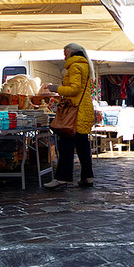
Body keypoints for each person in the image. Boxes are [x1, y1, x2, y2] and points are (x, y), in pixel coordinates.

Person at [44, 43, 95, 189]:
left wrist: (55, 88)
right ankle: (87, 176)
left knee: (66, 144)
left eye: (65, 53)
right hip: (82, 110)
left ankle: (63, 178)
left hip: (74, 112)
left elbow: (74, 89)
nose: (64, 56)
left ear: (72, 53)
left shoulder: (75, 67)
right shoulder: (84, 66)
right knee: (82, 145)